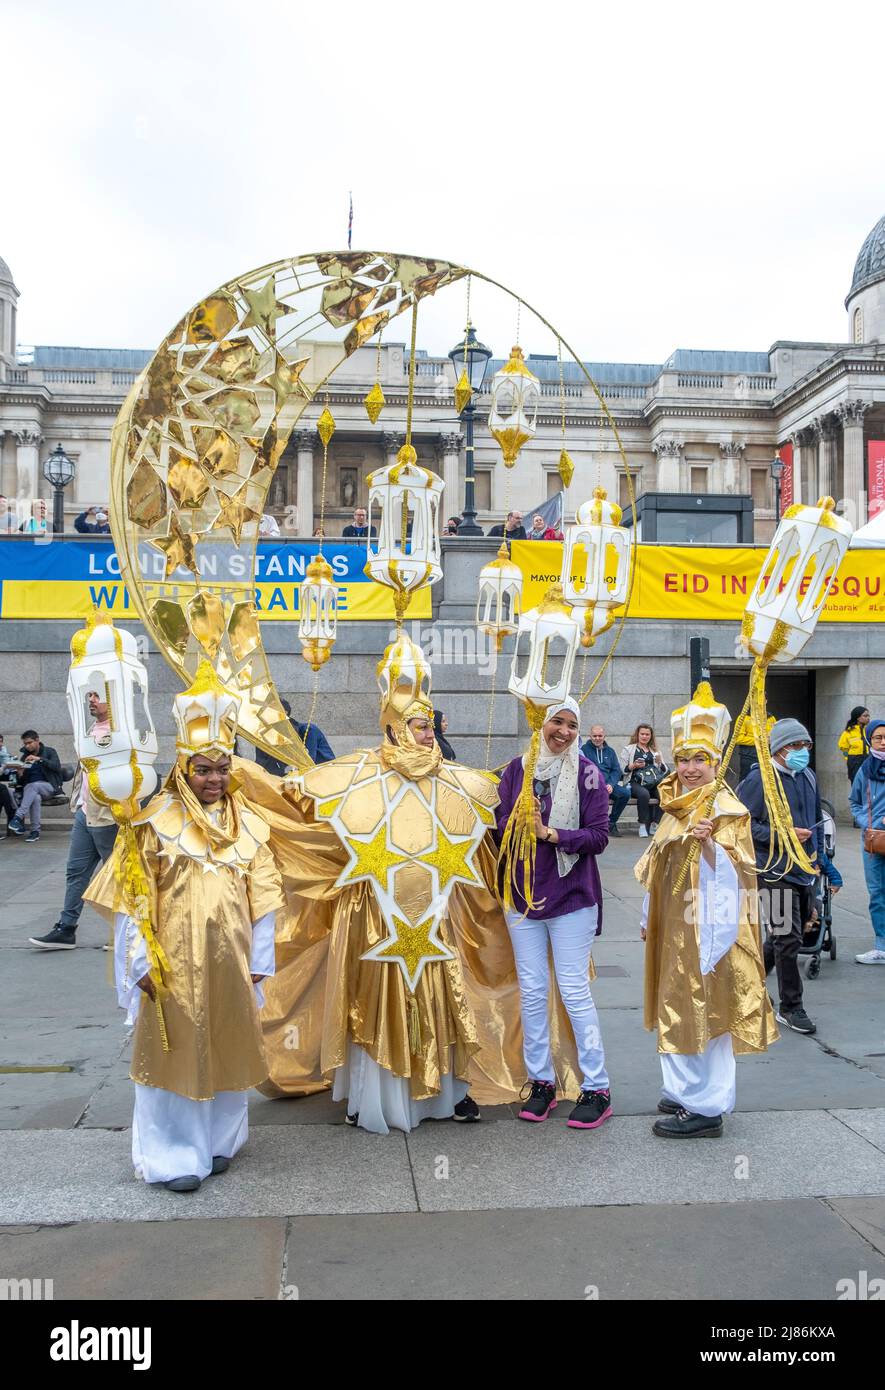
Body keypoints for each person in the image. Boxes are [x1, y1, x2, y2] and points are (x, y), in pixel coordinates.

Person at [235, 633, 563, 1133]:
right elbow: (289, 799)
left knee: (442, 996)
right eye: (417, 725)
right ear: (393, 725)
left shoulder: (458, 779)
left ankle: (447, 1092)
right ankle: (374, 1096)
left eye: (430, 727)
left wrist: (543, 742)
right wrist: (233, 768)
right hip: (372, 914)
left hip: (436, 916)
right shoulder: (354, 773)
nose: (427, 735)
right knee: (375, 998)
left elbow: (509, 799)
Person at [83, 663, 284, 1192]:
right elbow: (132, 897)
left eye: (222, 768)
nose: (214, 779)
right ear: (183, 769)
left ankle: (220, 1141)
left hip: (232, 963)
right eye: (203, 769)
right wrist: (138, 962)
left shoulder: (250, 826)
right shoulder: (154, 822)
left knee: (226, 1044)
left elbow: (263, 900)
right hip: (171, 964)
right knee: (175, 1053)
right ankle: (172, 1155)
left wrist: (260, 961)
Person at [638, 683, 777, 1138]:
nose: (691, 768)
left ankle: (706, 1107)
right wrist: (647, 915)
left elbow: (743, 874)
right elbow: (659, 867)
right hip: (673, 927)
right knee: (676, 1005)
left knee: (704, 1010)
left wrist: (712, 843)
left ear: (716, 762)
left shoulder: (727, 809)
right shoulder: (675, 807)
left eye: (700, 759)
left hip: (708, 929)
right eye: (684, 759)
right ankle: (683, 1089)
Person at [496, 698, 612, 1129]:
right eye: (556, 722)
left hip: (571, 897)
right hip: (522, 898)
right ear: (540, 724)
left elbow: (599, 837)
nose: (562, 731)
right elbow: (496, 823)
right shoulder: (515, 770)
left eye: (571, 724)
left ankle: (597, 1087)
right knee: (531, 991)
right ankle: (541, 1081)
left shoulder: (588, 774)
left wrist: (552, 833)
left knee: (574, 992)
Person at [738, 719, 823, 1036]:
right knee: (788, 937)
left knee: (787, 935)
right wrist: (782, 835)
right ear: (780, 749)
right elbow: (743, 824)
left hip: (803, 869)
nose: (803, 752)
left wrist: (820, 865)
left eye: (807, 746)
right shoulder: (760, 780)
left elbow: (815, 824)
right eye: (796, 746)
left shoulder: (808, 777)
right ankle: (791, 1006)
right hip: (772, 868)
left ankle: (749, 977)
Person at [28, 692, 119, 950]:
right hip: (84, 811)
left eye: (98, 696)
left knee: (117, 874)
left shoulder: (122, 730)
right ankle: (66, 929)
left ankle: (124, 932)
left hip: (108, 814)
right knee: (75, 871)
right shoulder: (93, 728)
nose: (91, 700)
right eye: (89, 696)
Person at [849, 717, 885, 964]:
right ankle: (881, 945)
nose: (883, 742)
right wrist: (868, 823)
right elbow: (855, 802)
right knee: (877, 893)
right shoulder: (865, 769)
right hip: (873, 841)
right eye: (877, 738)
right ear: (869, 739)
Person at [5, 729, 63, 842]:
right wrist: (20, 774)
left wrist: (39, 759)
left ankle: (17, 817)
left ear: (37, 740)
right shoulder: (24, 757)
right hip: (32, 790)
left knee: (34, 786)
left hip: (49, 788)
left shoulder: (50, 751)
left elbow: (56, 767)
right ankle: (35, 832)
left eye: (29, 743)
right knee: (35, 796)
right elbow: (22, 782)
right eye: (25, 744)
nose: (27, 746)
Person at [255, 698, 335, 776]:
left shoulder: (309, 730)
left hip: (325, 774)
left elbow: (308, 764)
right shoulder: (267, 735)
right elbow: (262, 766)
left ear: (284, 713)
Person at [581, 724, 630, 835]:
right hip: (592, 785)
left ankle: (611, 823)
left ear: (604, 736)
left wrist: (611, 784)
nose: (597, 738)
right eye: (594, 736)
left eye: (600, 736)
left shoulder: (610, 751)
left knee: (625, 793)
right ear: (590, 736)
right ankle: (594, 825)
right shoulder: (584, 750)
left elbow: (616, 770)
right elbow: (584, 769)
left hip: (608, 784)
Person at [620, 724, 668, 837]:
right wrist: (634, 766)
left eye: (647, 734)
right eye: (642, 734)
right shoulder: (629, 749)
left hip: (653, 782)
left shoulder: (655, 751)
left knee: (665, 793)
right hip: (634, 782)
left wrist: (660, 762)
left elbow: (664, 771)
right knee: (643, 794)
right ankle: (642, 825)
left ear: (651, 736)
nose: (644, 736)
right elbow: (622, 770)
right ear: (638, 734)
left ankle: (655, 823)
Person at [839, 706, 870, 785]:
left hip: (868, 758)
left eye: (868, 716)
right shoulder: (848, 732)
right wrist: (848, 758)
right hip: (854, 760)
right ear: (858, 718)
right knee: (856, 784)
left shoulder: (869, 730)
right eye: (865, 716)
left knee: (869, 784)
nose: (868, 718)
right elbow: (844, 748)